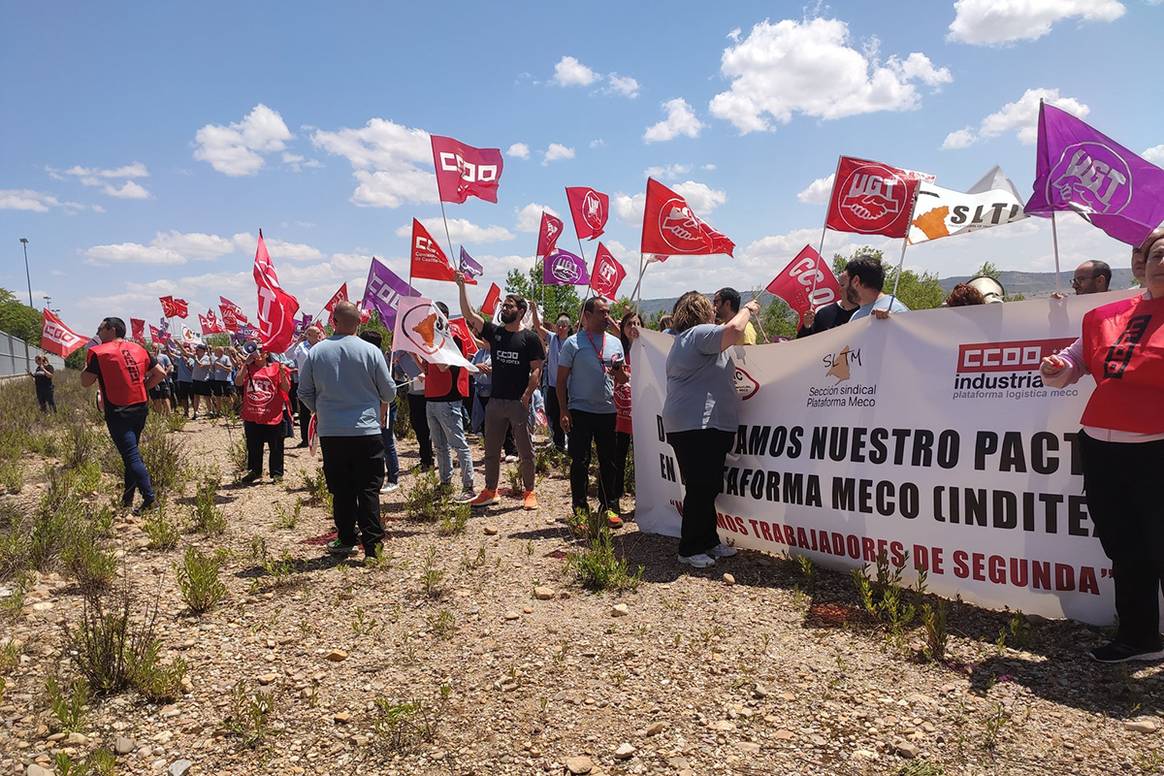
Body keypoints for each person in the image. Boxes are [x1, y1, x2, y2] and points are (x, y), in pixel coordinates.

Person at [1040, 230, 1164, 663]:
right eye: (1155, 254)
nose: (1160, 262)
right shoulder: (1105, 315)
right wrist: (1059, 366)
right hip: (1101, 446)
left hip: (1157, 450)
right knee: (1122, 545)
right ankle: (1139, 638)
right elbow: (1075, 362)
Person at [663, 292, 759, 568]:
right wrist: (749, 309)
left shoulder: (688, 339)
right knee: (701, 485)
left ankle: (708, 539)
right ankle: (690, 547)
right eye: (711, 308)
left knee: (708, 485)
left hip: (700, 423)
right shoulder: (699, 333)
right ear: (702, 312)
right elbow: (735, 329)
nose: (714, 312)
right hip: (697, 423)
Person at [298, 302, 396, 558]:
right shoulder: (371, 351)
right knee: (368, 488)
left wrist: (320, 409)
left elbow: (304, 392)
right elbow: (388, 391)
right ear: (359, 323)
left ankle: (346, 539)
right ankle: (373, 547)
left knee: (341, 488)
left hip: (332, 432)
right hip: (366, 430)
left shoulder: (316, 352)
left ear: (333, 321)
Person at [456, 273, 545, 510]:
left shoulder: (530, 339)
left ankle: (529, 491)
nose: (504, 308)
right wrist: (462, 286)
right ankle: (490, 490)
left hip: (518, 403)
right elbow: (469, 315)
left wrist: (527, 396)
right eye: (504, 305)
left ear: (521, 311)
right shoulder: (495, 333)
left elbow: (537, 371)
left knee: (526, 451)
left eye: (509, 305)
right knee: (491, 450)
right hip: (495, 402)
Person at [81, 317, 167, 514]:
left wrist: (87, 363)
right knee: (131, 454)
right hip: (140, 407)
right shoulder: (139, 349)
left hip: (118, 410)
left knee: (131, 455)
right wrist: (143, 387)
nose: (98, 331)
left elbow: (85, 382)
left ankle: (150, 499)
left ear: (111, 329)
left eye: (100, 327)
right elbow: (160, 373)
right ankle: (127, 499)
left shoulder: (98, 352)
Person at [556, 297, 627, 527]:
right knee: (580, 461)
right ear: (586, 315)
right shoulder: (573, 343)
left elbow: (623, 378)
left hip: (607, 410)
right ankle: (580, 509)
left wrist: (619, 373)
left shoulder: (615, 343)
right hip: (580, 410)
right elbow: (561, 381)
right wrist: (563, 409)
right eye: (601, 313)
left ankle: (609, 506)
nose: (607, 317)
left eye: (608, 312)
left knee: (609, 461)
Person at [419, 302, 476, 501]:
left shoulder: (454, 340)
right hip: (431, 398)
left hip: (449, 399)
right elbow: (427, 369)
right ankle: (445, 483)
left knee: (458, 444)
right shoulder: (429, 340)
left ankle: (468, 486)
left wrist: (428, 345)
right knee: (439, 446)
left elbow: (444, 366)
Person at [235, 343, 291, 484]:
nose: (256, 353)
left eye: (260, 350)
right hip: (252, 414)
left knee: (276, 445)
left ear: (266, 354)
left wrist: (283, 375)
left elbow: (286, 388)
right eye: (254, 350)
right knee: (253, 445)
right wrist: (244, 364)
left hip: (273, 413)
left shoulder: (276, 368)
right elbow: (238, 382)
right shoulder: (248, 368)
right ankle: (255, 471)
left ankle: (277, 473)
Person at [359, 332, 400, 494]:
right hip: (374, 405)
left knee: (386, 441)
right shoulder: (371, 358)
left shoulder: (381, 361)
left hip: (385, 406)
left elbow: (386, 393)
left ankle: (393, 478)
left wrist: (382, 414)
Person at [613, 311, 640, 512]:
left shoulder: (647, 351)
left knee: (643, 457)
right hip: (621, 411)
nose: (634, 327)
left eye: (638, 323)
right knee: (618, 455)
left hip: (642, 413)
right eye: (630, 323)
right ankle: (616, 495)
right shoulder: (618, 350)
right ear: (623, 328)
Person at [537, 310, 573, 452]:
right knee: (553, 413)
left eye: (564, 325)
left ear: (568, 328)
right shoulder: (552, 338)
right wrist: (534, 310)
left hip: (569, 386)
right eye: (558, 325)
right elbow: (538, 327)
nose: (560, 328)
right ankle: (558, 446)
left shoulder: (572, 342)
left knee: (569, 416)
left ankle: (571, 444)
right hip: (552, 385)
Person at [846, 256, 909, 321]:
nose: (842, 288)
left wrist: (893, 322)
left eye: (844, 282)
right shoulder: (856, 316)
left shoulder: (895, 311)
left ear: (856, 281)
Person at [289, 326, 323, 447]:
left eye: (319, 333)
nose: (319, 335)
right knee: (305, 412)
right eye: (316, 333)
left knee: (322, 410)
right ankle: (305, 439)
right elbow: (288, 355)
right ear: (308, 335)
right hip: (305, 382)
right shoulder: (301, 347)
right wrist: (297, 342)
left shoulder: (323, 345)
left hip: (321, 383)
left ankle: (322, 437)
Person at [797, 271, 859, 337]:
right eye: (851, 285)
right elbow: (804, 342)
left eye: (857, 285)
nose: (855, 288)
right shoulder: (824, 314)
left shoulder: (866, 311)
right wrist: (807, 326)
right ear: (840, 289)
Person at [401, 354, 434, 472]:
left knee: (424, 428)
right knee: (418, 426)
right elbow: (398, 375)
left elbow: (430, 370)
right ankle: (426, 458)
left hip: (426, 395)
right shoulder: (401, 355)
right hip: (413, 394)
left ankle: (428, 460)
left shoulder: (422, 352)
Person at [191, 343, 213, 419]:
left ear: (203, 350)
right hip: (196, 379)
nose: (197, 351)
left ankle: (210, 411)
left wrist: (196, 359)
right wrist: (178, 345)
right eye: (197, 350)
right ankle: (195, 412)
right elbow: (185, 352)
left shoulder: (207, 358)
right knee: (196, 396)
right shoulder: (195, 356)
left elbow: (201, 365)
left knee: (207, 397)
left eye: (199, 350)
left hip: (204, 380)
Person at [172, 343, 195, 417]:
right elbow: (170, 354)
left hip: (191, 381)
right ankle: (186, 412)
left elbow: (193, 370)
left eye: (187, 351)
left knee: (193, 398)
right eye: (184, 351)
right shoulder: (180, 359)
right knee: (184, 398)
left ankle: (195, 411)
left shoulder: (193, 359)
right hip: (182, 381)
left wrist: (188, 365)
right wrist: (166, 344)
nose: (185, 353)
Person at [149, 345, 172, 414]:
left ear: (158, 348)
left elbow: (170, 366)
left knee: (165, 398)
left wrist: (165, 373)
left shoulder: (164, 356)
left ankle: (168, 414)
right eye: (153, 347)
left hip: (162, 380)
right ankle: (160, 415)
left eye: (155, 347)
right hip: (153, 380)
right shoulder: (150, 357)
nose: (154, 349)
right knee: (156, 399)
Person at [211, 345, 233, 413]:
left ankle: (230, 410)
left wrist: (221, 366)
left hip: (225, 380)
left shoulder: (226, 358)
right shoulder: (216, 360)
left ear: (220, 351)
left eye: (216, 351)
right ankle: (218, 411)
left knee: (228, 396)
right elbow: (213, 370)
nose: (214, 353)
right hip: (217, 380)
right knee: (218, 396)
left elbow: (229, 369)